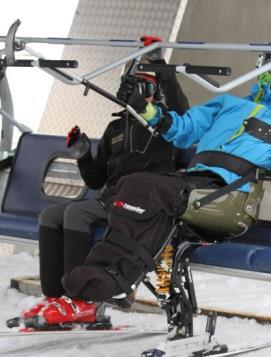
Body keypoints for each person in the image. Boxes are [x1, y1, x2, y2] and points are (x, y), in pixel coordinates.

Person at [26, 39, 271, 326]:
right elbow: (180, 128)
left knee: (143, 187)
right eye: (260, 63)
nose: (259, 69)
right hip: (196, 193)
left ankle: (116, 278)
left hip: (229, 201)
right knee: (136, 191)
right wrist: (146, 109)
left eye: (267, 64)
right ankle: (110, 284)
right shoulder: (229, 104)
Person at [19, 53, 190, 323]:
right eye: (133, 86)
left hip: (145, 205)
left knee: (76, 214)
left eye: (145, 87)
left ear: (155, 92)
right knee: (50, 215)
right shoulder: (115, 128)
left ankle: (82, 299)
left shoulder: (166, 123)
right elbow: (97, 181)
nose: (139, 93)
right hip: (113, 199)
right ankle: (55, 296)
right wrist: (84, 155)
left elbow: (183, 111)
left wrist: (164, 72)